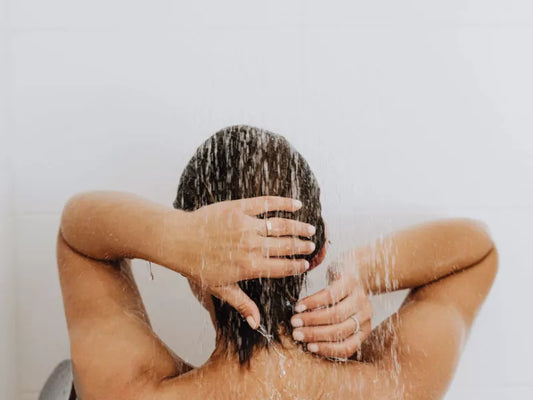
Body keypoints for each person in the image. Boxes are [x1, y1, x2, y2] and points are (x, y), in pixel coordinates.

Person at [57, 126, 498, 400]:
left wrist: (173, 236)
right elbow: (477, 251)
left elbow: (77, 233)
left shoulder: (130, 392)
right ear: (318, 252)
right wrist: (361, 270)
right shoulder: (394, 385)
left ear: (193, 273)